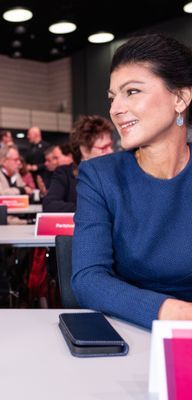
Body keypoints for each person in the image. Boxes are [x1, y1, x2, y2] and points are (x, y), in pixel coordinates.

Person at [72, 33, 192, 329]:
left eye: (132, 91)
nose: (114, 109)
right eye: (112, 98)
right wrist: (178, 315)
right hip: (131, 328)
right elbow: (88, 279)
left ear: (180, 98)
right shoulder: (100, 176)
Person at [43, 115, 114, 212]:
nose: (111, 151)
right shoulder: (64, 173)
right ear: (84, 150)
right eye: (104, 148)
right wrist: (93, 209)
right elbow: (49, 205)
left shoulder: (115, 173)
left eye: (110, 146)